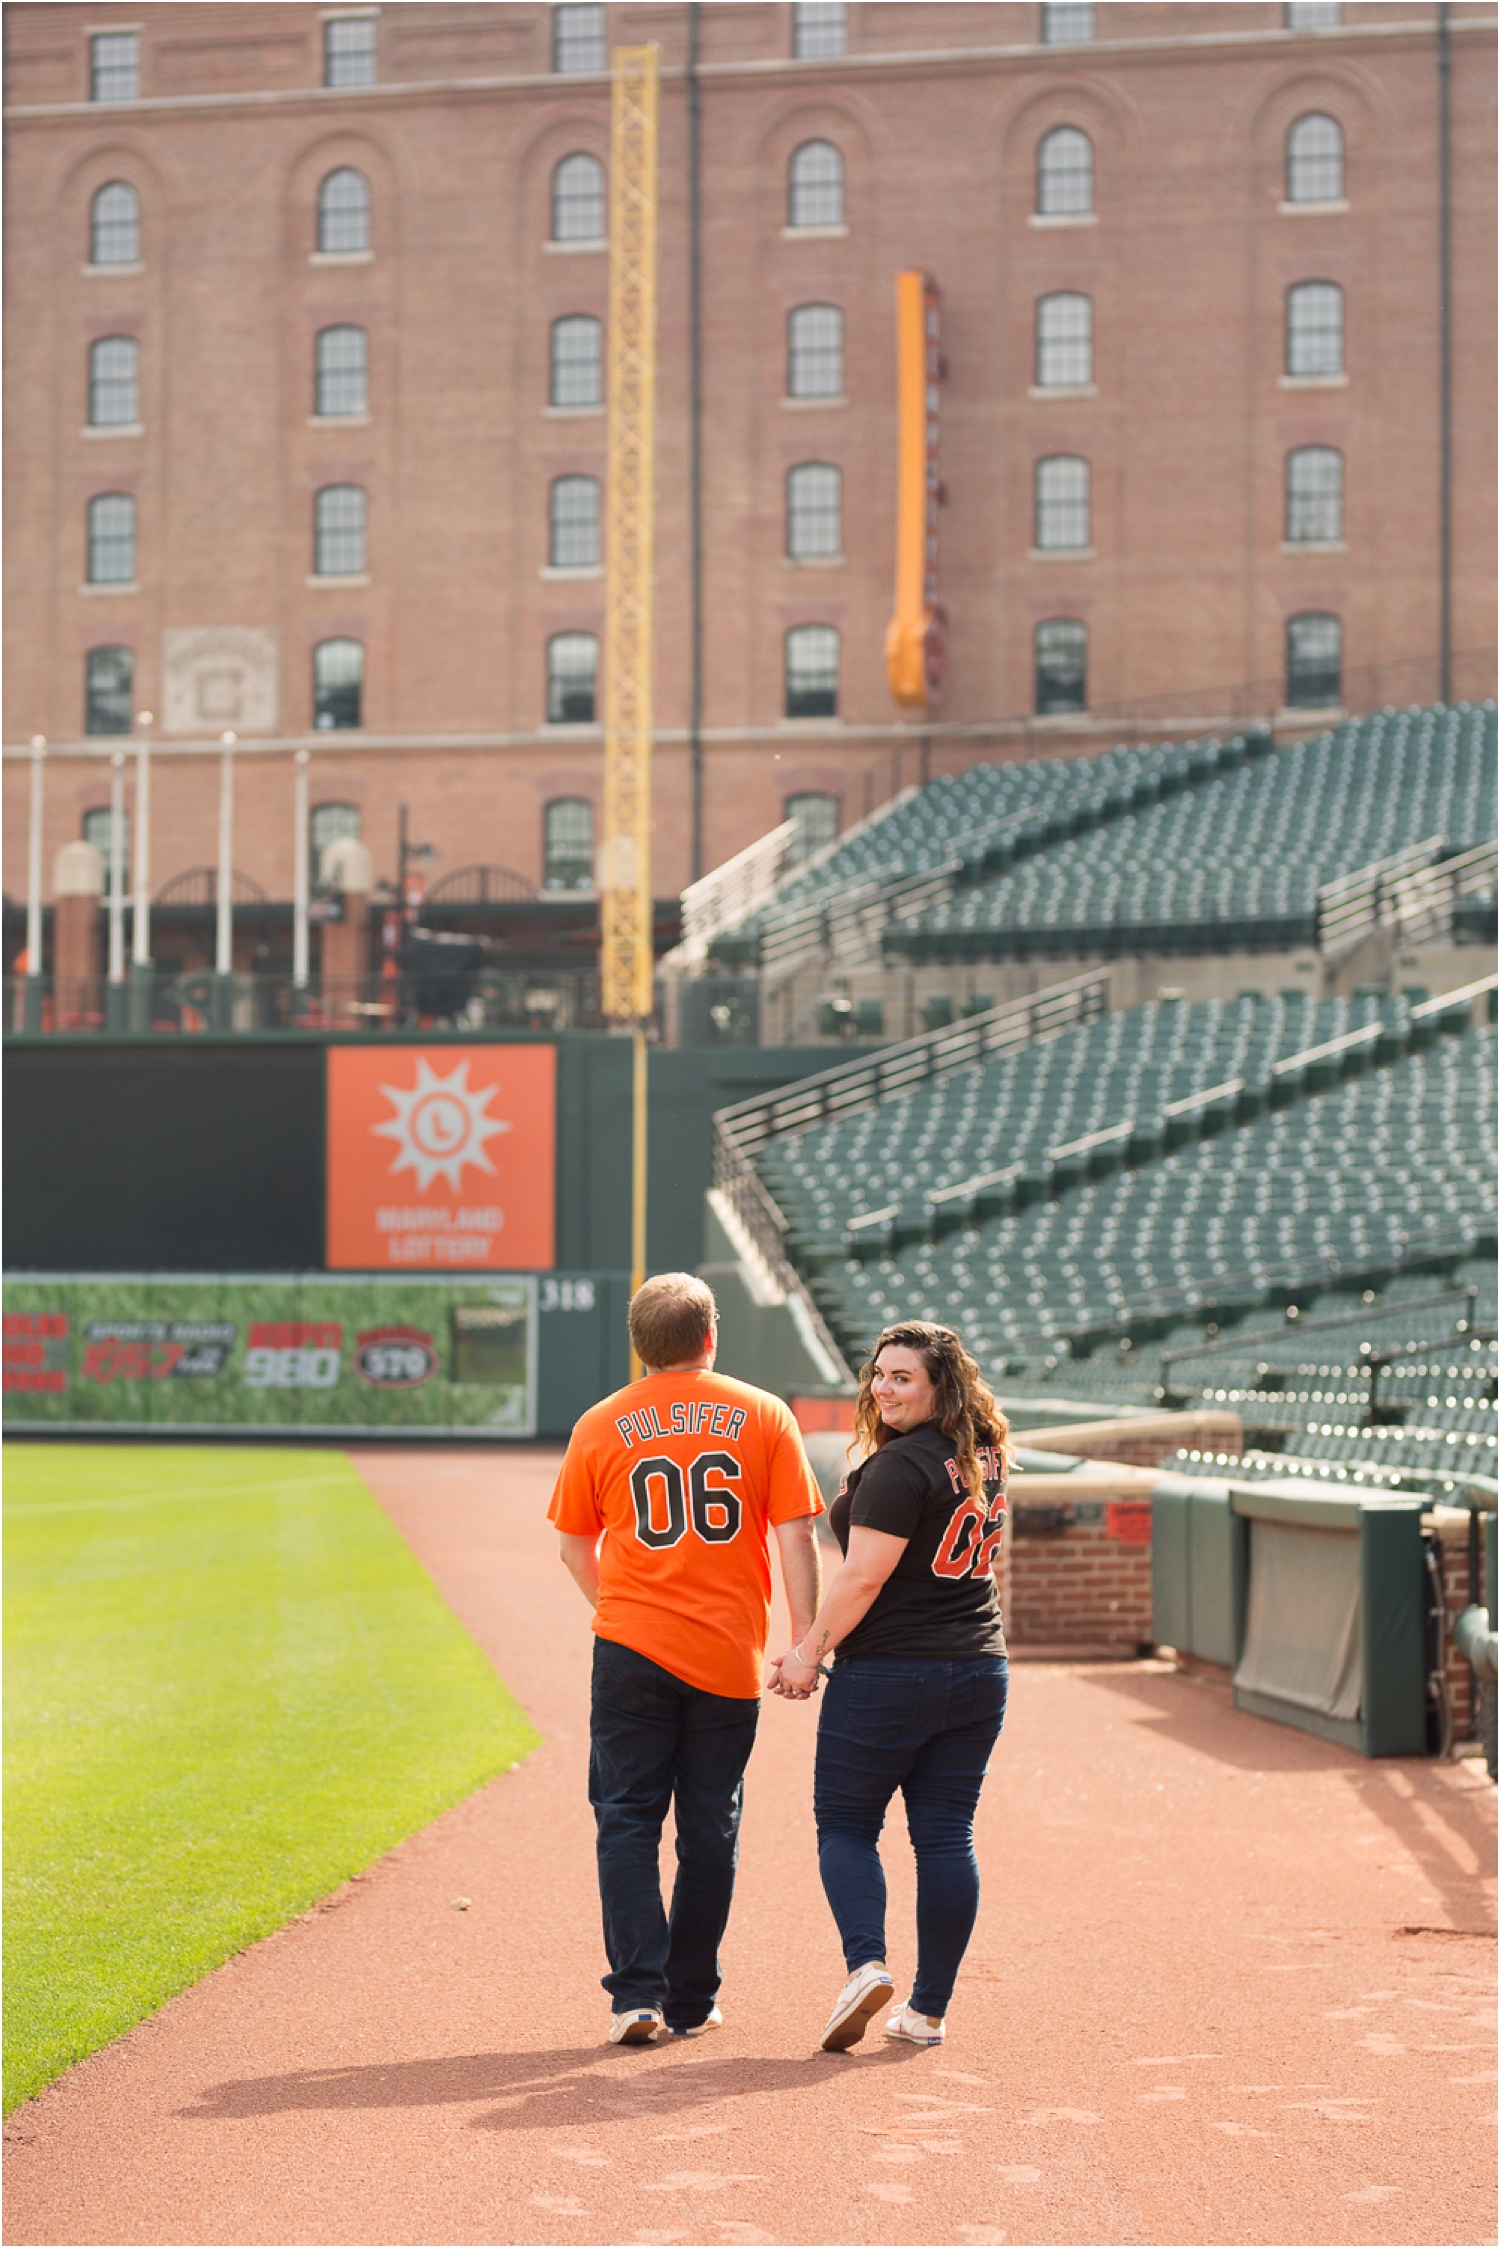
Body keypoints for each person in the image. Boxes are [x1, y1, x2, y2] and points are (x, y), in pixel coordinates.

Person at [549, 1271, 824, 2045]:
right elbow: (797, 1533)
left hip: (630, 1647)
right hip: (727, 1654)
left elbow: (574, 1547)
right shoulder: (764, 1412)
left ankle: (635, 1994)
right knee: (710, 1827)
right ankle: (691, 2000)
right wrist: (805, 1642)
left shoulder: (600, 1422)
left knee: (627, 1818)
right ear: (711, 1336)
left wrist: (617, 1613)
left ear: (638, 1347)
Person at [770, 1320, 1011, 2053]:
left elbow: (864, 1575)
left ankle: (865, 1966)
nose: (882, 1387)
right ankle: (926, 2011)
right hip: (977, 1668)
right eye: (878, 1373)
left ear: (941, 1387)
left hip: (890, 1675)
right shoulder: (985, 1453)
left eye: (902, 1377)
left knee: (845, 1826)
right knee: (945, 1836)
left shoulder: (899, 1468)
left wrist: (808, 1651)